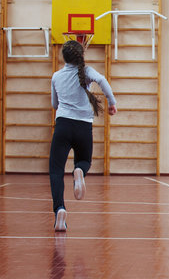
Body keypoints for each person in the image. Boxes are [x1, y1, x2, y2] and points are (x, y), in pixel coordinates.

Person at [49, 40, 117, 231]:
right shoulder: (86, 72)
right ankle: (79, 171)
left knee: (55, 170)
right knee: (84, 161)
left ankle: (59, 210)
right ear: (81, 56)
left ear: (63, 57)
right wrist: (112, 102)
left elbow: (55, 105)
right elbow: (102, 80)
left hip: (63, 125)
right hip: (83, 126)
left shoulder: (56, 76)